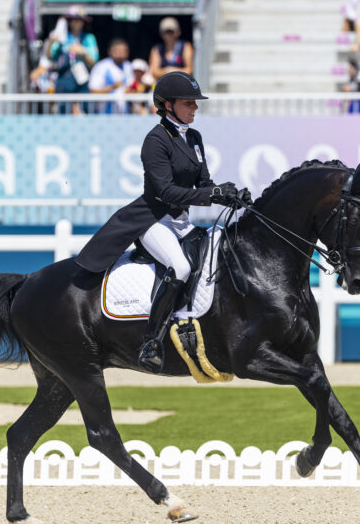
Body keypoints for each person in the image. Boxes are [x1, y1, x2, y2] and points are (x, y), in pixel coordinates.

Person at [73, 72, 250, 372]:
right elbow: (166, 191)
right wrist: (212, 194)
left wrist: (227, 194)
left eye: (195, 102)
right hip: (152, 219)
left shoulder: (194, 138)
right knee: (180, 267)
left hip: (179, 221)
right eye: (188, 103)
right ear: (167, 105)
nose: (195, 108)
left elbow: (204, 182)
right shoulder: (155, 140)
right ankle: (151, 342)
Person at [87, 38, 133, 114]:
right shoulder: (101, 66)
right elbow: (93, 91)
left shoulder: (129, 66)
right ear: (110, 51)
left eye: (124, 51)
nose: (121, 53)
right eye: (118, 50)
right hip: (105, 115)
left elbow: (132, 87)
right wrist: (113, 87)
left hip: (125, 115)